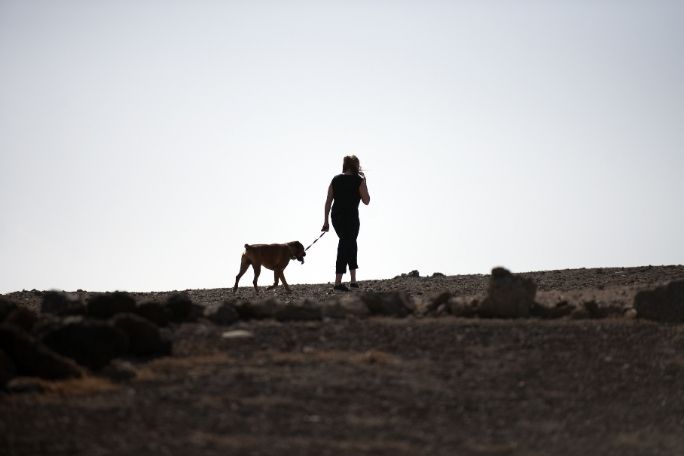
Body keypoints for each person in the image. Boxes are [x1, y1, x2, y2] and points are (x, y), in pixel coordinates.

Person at [321, 155, 371, 291]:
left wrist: (326, 221)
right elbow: (366, 201)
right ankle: (338, 282)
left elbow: (328, 202)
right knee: (346, 243)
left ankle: (353, 280)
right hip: (351, 217)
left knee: (349, 242)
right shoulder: (359, 181)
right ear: (356, 165)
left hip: (337, 216)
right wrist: (364, 183)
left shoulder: (335, 179)